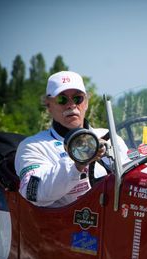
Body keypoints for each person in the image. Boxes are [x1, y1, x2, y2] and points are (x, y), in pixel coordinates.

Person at [15, 70, 129, 208]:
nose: (71, 105)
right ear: (49, 105)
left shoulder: (109, 137)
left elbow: (132, 178)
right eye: (62, 99)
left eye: (77, 98)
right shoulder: (33, 146)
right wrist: (78, 162)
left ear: (86, 103)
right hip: (68, 226)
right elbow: (33, 193)